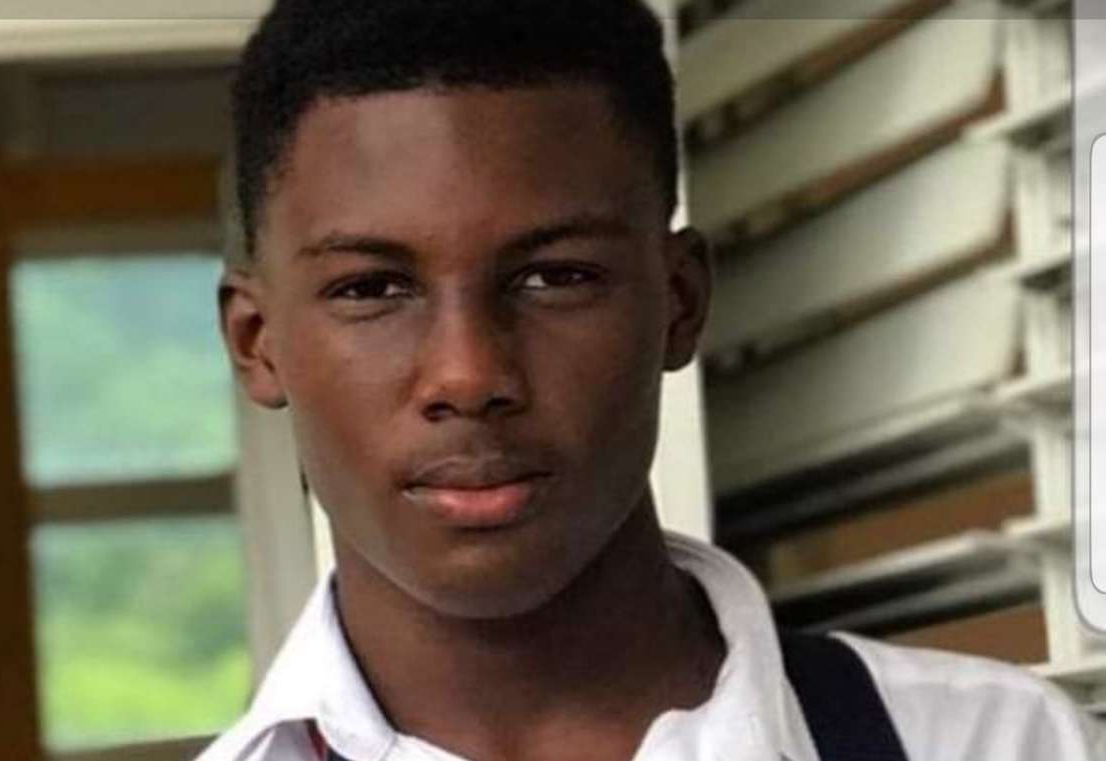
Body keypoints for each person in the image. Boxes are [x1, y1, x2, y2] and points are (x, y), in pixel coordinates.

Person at [203, 1, 1105, 759]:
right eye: (371, 289)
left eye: (555, 276)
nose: (469, 374)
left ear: (679, 301)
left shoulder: (996, 743)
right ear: (257, 341)